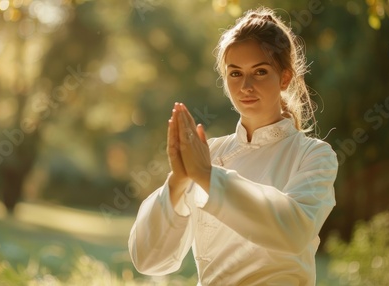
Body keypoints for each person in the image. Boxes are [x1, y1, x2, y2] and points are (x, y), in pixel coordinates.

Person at [128, 6, 338, 285]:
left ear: (285, 78)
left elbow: (293, 230)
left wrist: (208, 176)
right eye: (235, 73)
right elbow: (149, 260)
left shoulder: (314, 155)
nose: (246, 86)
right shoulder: (208, 154)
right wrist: (177, 181)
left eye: (260, 72)